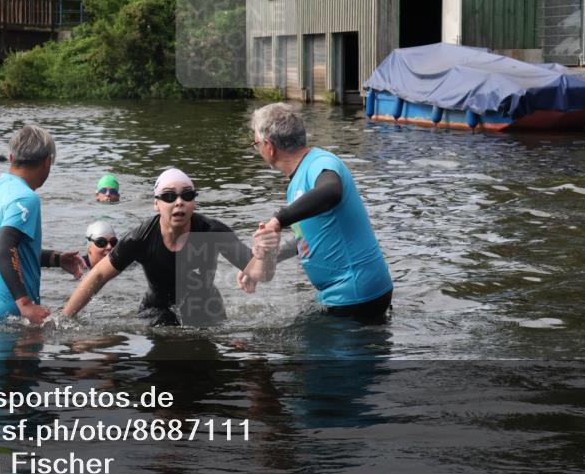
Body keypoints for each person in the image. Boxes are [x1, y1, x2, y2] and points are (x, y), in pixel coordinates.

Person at [49, 168, 276, 328]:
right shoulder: (140, 238)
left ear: (194, 202)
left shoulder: (212, 232)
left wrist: (265, 252)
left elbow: (261, 274)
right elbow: (98, 275)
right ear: (156, 203)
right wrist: (64, 318)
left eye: (186, 195)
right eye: (168, 196)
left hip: (205, 306)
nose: (178, 202)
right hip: (157, 309)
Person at [246, 103, 393, 320]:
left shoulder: (320, 162)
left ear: (269, 146)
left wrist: (279, 219)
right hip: (346, 293)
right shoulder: (298, 179)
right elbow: (309, 238)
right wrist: (267, 256)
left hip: (355, 293)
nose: (257, 149)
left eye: (256, 143)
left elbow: (331, 191)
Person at [0, 125, 85, 323]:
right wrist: (25, 304)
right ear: (47, 162)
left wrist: (56, 259)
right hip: (5, 317)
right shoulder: (27, 198)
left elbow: (8, 250)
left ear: (11, 158)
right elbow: (2, 247)